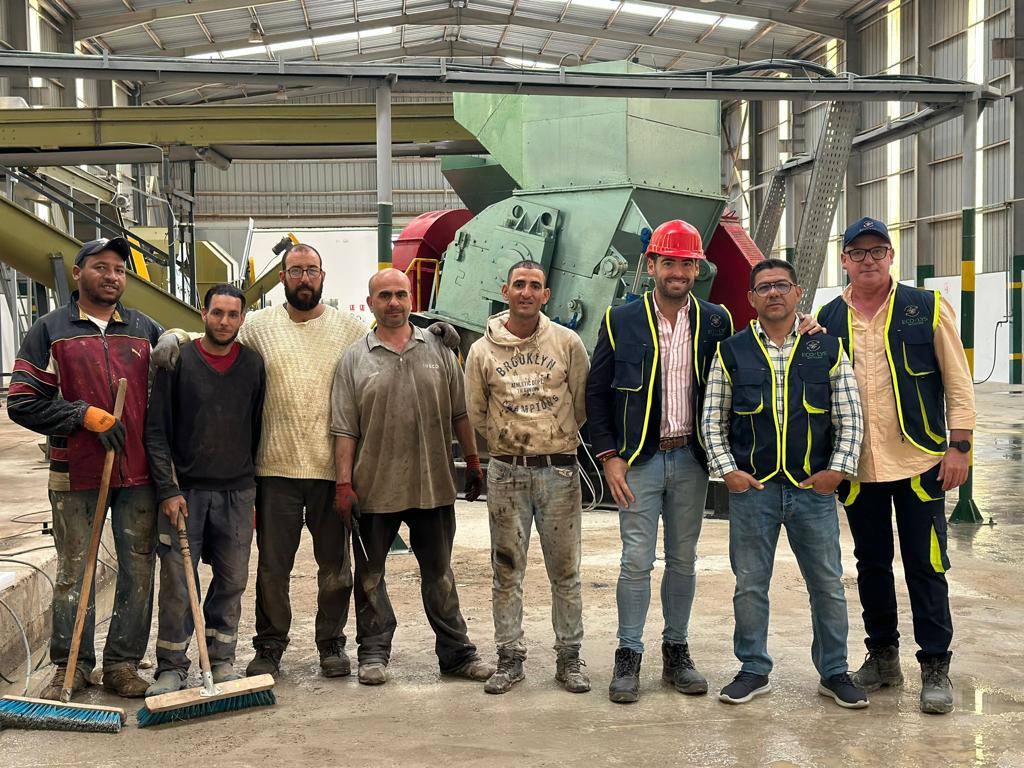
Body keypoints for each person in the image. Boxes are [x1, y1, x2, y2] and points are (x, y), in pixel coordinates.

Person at [586, 219, 823, 704]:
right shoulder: (620, 319)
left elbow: (751, 352)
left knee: (683, 560)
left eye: (687, 262)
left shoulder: (715, 320)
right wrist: (609, 457)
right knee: (635, 562)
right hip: (639, 462)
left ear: (698, 268)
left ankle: (676, 651)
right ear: (651, 265)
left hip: (692, 460)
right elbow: (596, 393)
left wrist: (806, 325)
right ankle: (628, 655)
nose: (678, 270)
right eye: (669, 261)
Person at [153, 243, 367, 679]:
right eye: (294, 271)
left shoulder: (349, 328)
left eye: (311, 270)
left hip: (330, 472)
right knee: (272, 570)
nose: (303, 277)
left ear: (323, 276)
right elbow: (214, 340)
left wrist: (432, 332)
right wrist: (173, 335)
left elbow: (383, 345)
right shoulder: (259, 327)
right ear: (282, 277)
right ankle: (269, 647)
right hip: (273, 473)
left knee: (335, 568)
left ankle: (331, 644)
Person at [817, 217, 976, 714]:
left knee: (927, 567)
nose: (868, 260)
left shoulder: (925, 309)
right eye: (858, 252)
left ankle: (935, 666)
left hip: (920, 464)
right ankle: (883, 657)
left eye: (877, 250)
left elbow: (957, 380)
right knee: (870, 566)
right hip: (859, 469)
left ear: (891, 256)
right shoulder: (828, 318)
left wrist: (960, 447)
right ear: (843, 260)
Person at [702, 258, 867, 708]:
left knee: (828, 584)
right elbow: (712, 420)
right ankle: (753, 668)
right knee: (750, 585)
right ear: (751, 298)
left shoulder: (826, 349)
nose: (773, 293)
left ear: (797, 293)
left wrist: (836, 471)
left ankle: (834, 671)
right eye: (764, 288)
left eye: (781, 285)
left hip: (811, 491)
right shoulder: (732, 351)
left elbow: (850, 417)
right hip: (753, 492)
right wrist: (728, 471)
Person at [7, 237, 162, 699]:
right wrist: (81, 416)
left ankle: (122, 664)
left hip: (137, 474)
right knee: (76, 569)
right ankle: (71, 665)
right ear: (78, 274)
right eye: (101, 267)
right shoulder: (50, 330)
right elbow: (21, 402)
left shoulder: (146, 331)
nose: (112, 276)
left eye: (119, 269)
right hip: (75, 473)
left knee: (138, 568)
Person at [330, 268, 494, 686]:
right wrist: (344, 485)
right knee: (370, 577)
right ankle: (373, 652)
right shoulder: (354, 358)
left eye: (401, 294)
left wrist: (473, 463)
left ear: (410, 298)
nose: (394, 302)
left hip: (433, 484)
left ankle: (456, 655)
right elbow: (345, 429)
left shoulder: (438, 348)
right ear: (370, 303)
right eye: (384, 295)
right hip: (374, 490)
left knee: (440, 575)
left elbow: (461, 413)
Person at [464, 260, 591, 695]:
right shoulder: (482, 350)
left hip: (558, 470)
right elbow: (477, 412)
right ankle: (510, 658)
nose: (526, 292)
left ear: (546, 295)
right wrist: (510, 443)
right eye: (519, 284)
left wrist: (554, 440)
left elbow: (581, 399)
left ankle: (569, 659)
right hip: (506, 473)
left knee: (566, 571)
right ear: (505, 290)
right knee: (506, 570)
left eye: (534, 286)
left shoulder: (567, 343)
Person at [144, 284, 266, 695]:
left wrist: (249, 486)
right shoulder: (178, 362)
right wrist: (166, 489)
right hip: (186, 494)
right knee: (179, 582)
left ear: (243, 319)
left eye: (233, 314)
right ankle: (171, 667)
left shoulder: (252, 365)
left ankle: (220, 658)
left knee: (233, 579)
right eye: (218, 313)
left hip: (237, 492)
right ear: (203, 313)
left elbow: (255, 428)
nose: (225, 321)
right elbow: (156, 431)